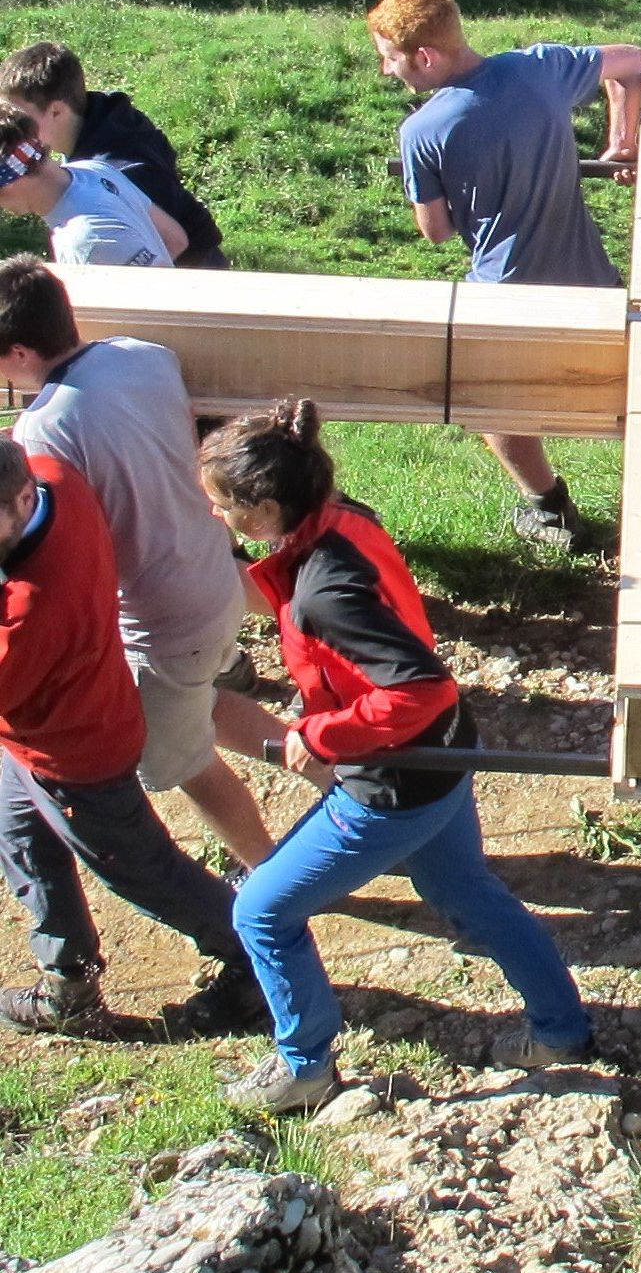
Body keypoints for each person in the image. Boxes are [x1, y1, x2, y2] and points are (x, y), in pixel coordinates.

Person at [203, 402, 592, 1112]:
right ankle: (562, 1031)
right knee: (465, 893)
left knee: (260, 912)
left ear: (262, 507)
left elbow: (421, 693)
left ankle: (304, 1067)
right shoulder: (344, 515)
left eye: (222, 507)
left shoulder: (329, 592)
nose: (220, 520)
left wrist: (322, 736)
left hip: (391, 782)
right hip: (444, 759)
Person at [0, 258, 272, 868]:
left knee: (186, 765)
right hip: (215, 575)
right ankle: (340, 783)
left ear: (19, 353)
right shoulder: (143, 354)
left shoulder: (41, 431)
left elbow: (55, 538)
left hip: (159, 617)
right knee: (205, 700)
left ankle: (270, 878)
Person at [0, 437, 264, 1035]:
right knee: (24, 842)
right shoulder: (54, 479)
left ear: (19, 498)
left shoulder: (30, 611)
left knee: (146, 872)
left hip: (75, 758)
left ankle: (258, 959)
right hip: (37, 741)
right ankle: (68, 984)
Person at [371, 0, 641, 550]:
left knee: (485, 401)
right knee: (634, 389)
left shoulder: (421, 130)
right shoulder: (539, 68)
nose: (385, 70)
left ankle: (550, 510)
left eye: (389, 58)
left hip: (506, 292)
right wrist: (622, 137)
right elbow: (632, 61)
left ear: (424, 57)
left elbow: (437, 230)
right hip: (591, 277)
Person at [0, 42, 227, 267]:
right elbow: (174, 238)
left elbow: (166, 260)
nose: (15, 126)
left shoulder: (121, 173)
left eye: (19, 117)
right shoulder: (101, 130)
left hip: (198, 273)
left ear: (56, 110)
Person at [0, 107, 186, 267]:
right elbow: (174, 239)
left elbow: (156, 298)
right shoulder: (92, 170)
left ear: (10, 180)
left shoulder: (87, 239)